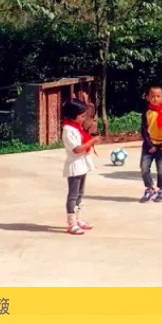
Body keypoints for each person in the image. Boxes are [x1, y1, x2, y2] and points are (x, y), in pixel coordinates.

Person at [61, 99, 101, 234]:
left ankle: (78, 219)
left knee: (80, 194)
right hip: (74, 165)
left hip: (82, 164)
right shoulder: (68, 130)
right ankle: (71, 223)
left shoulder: (77, 128)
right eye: (82, 116)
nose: (84, 119)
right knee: (73, 195)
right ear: (73, 116)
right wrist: (92, 141)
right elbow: (76, 149)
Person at [139, 85, 162, 203]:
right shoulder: (146, 111)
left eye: (158, 96)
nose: (155, 98)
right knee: (144, 167)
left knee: (161, 169)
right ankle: (150, 188)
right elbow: (144, 130)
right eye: (152, 96)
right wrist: (149, 145)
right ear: (148, 98)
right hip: (149, 145)